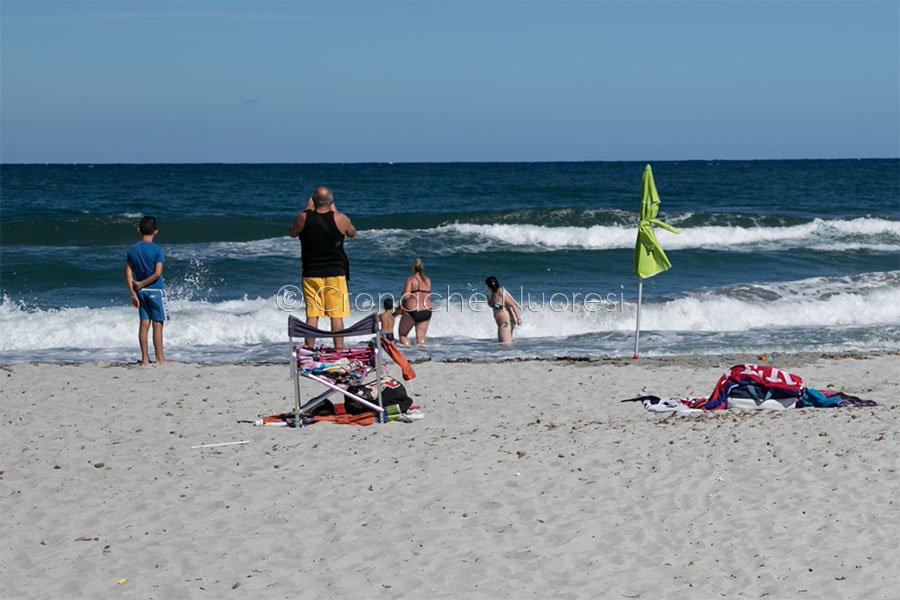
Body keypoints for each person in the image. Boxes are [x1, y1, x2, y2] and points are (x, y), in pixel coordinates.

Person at [289, 186, 357, 348]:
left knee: (313, 314)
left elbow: (292, 232)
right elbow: (352, 232)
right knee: (336, 315)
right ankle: (339, 350)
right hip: (336, 272)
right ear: (331, 201)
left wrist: (306, 210)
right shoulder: (341, 218)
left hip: (311, 272)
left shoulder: (303, 217)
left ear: (313, 200)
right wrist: (336, 211)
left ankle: (308, 350)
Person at [125, 216, 170, 364]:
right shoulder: (157, 250)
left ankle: (145, 358)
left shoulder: (133, 249)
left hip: (140, 293)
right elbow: (157, 273)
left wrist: (133, 292)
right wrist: (143, 283)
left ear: (138, 230)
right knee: (158, 324)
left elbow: (128, 272)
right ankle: (160, 358)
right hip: (155, 291)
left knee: (144, 324)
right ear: (155, 231)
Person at [398, 258, 432, 345]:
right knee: (421, 338)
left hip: (412, 311)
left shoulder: (410, 279)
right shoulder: (428, 280)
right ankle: (421, 355)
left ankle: (408, 354)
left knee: (403, 335)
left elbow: (406, 296)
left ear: (413, 267)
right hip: (427, 311)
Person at [485, 275, 523, 343]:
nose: (486, 287)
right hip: (501, 324)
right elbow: (497, 307)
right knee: (502, 346)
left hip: (506, 323)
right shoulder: (493, 294)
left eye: (486, 285)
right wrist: (489, 303)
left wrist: (519, 319)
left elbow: (514, 305)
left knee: (504, 346)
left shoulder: (502, 293)